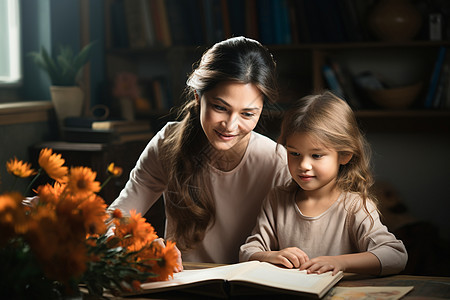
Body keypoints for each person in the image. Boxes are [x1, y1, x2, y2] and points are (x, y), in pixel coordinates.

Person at [107, 36, 291, 268]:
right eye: (220, 108)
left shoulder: (276, 160)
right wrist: (143, 245)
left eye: (247, 114)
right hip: (183, 283)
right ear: (197, 97)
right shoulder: (167, 143)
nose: (230, 126)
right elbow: (116, 217)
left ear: (262, 109)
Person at [239, 91, 408, 276]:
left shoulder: (355, 206)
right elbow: (247, 252)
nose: (303, 165)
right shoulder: (277, 199)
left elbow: (395, 255)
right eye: (294, 153)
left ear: (344, 155)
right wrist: (271, 256)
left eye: (316, 155)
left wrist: (340, 262)